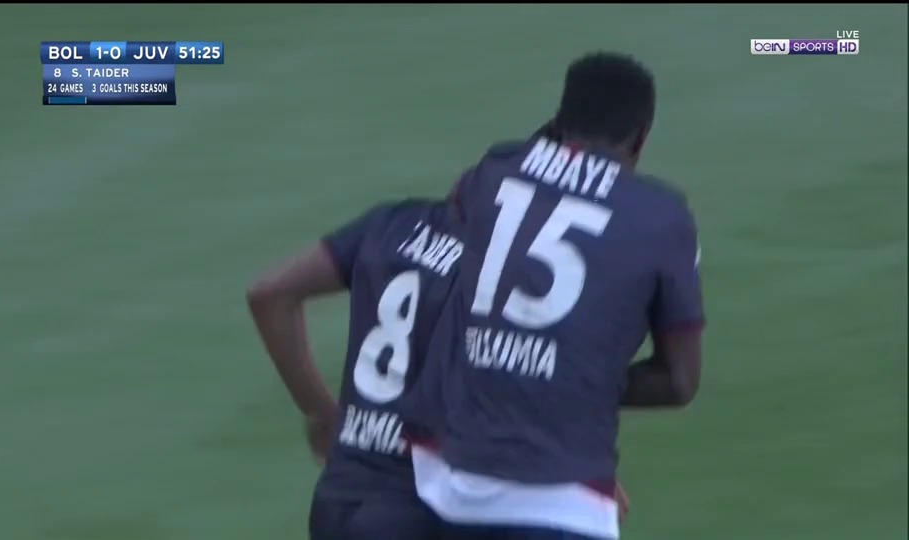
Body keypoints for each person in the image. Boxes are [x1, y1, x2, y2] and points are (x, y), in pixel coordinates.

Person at [402, 52, 705, 540]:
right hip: (563, 504)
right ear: (641, 139)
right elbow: (680, 381)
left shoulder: (490, 175)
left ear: (559, 121)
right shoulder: (663, 216)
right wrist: (567, 384)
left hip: (439, 486)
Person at [246, 197, 466, 540]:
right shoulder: (496, 261)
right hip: (421, 509)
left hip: (338, 498)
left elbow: (269, 294)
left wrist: (321, 413)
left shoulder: (392, 223)